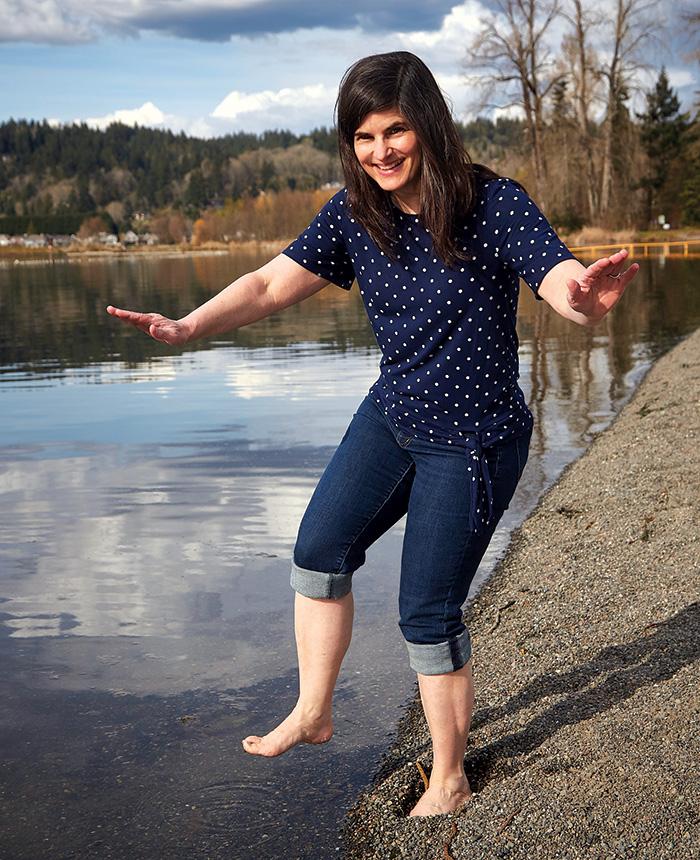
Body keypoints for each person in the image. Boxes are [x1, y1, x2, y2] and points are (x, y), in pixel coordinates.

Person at [107, 51, 637, 817]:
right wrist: (188, 325)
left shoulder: (490, 202)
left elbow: (559, 279)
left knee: (426, 609)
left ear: (428, 125)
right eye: (363, 137)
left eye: (396, 131)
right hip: (394, 415)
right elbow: (265, 284)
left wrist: (584, 300)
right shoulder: (356, 211)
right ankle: (315, 710)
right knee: (318, 549)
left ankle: (450, 777)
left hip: (473, 438)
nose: (382, 150)